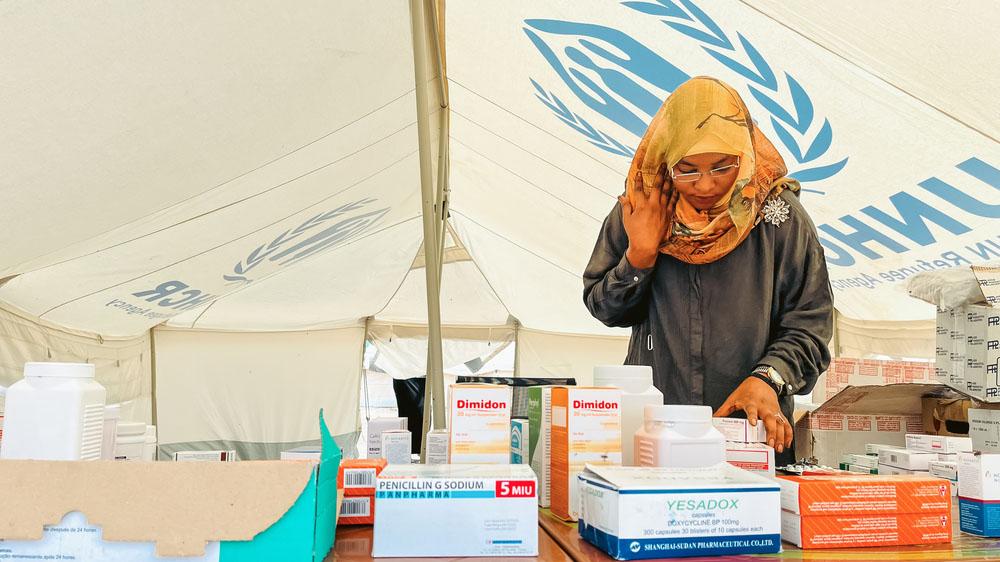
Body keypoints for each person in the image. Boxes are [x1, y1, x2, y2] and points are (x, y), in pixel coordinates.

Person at [583, 76, 833, 465]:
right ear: (666, 159)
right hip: (656, 438)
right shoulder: (640, 208)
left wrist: (769, 376)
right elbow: (605, 308)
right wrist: (640, 256)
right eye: (686, 169)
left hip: (751, 437)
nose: (705, 184)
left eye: (722, 166)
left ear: (745, 154)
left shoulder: (780, 220)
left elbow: (811, 327)